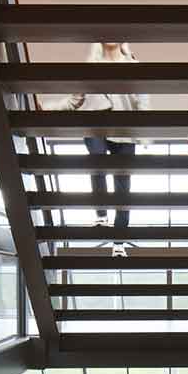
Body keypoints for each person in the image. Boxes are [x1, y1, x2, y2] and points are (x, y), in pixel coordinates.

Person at [52, 42, 150, 258]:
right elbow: (74, 100)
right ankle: (101, 212)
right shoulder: (90, 66)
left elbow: (142, 99)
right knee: (96, 161)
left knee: (122, 188)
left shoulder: (133, 65)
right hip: (95, 123)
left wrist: (144, 132)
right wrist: (48, 108)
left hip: (124, 129)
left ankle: (119, 242)